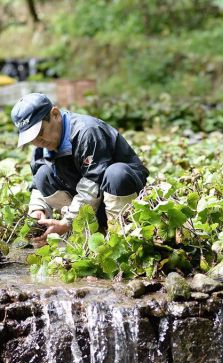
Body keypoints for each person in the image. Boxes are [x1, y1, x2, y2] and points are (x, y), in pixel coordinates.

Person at [11, 92, 149, 247]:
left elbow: (92, 183)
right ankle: (82, 235)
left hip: (122, 193)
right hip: (90, 206)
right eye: (32, 139)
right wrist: (37, 211)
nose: (38, 142)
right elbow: (37, 187)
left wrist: (67, 221)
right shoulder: (41, 147)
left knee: (116, 173)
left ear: (55, 114)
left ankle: (121, 236)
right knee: (43, 175)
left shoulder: (87, 132)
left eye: (39, 133)